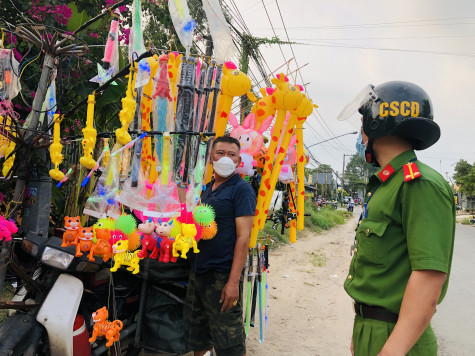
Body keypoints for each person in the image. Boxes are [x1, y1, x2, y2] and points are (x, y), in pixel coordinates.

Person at [340, 81, 455, 356]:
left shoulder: (419, 183)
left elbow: (429, 275)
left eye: (362, 126)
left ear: (377, 123)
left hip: (397, 339)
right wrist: (363, 330)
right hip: (372, 328)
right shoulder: (386, 184)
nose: (361, 136)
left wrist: (392, 350)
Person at [184, 135, 256, 356]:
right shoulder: (205, 189)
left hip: (223, 275)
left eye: (231, 154)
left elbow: (244, 237)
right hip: (199, 272)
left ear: (238, 161)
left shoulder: (241, 190)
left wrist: (233, 282)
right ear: (211, 158)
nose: (226, 158)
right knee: (198, 337)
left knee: (229, 342)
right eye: (220, 153)